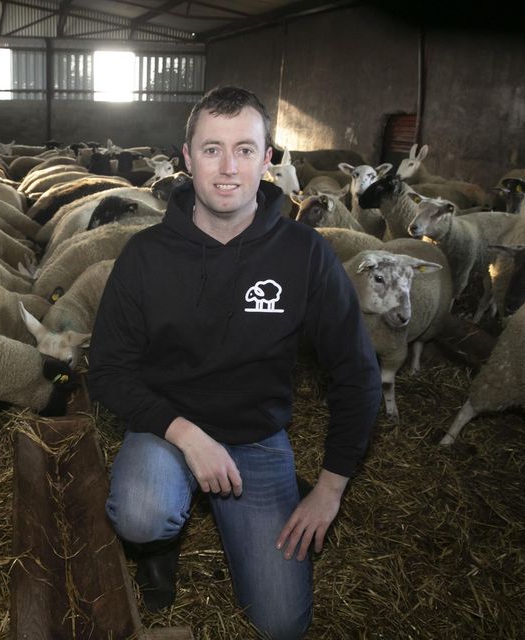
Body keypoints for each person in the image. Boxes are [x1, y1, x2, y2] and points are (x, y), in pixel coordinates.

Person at [86, 86, 382, 639]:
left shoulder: (304, 254)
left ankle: (245, 509)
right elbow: (106, 369)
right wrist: (187, 435)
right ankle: (158, 545)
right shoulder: (145, 256)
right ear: (186, 157)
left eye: (245, 150)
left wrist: (330, 489)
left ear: (268, 159)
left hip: (256, 438)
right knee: (141, 510)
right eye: (212, 149)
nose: (228, 168)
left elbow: (357, 374)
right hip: (168, 427)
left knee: (282, 625)